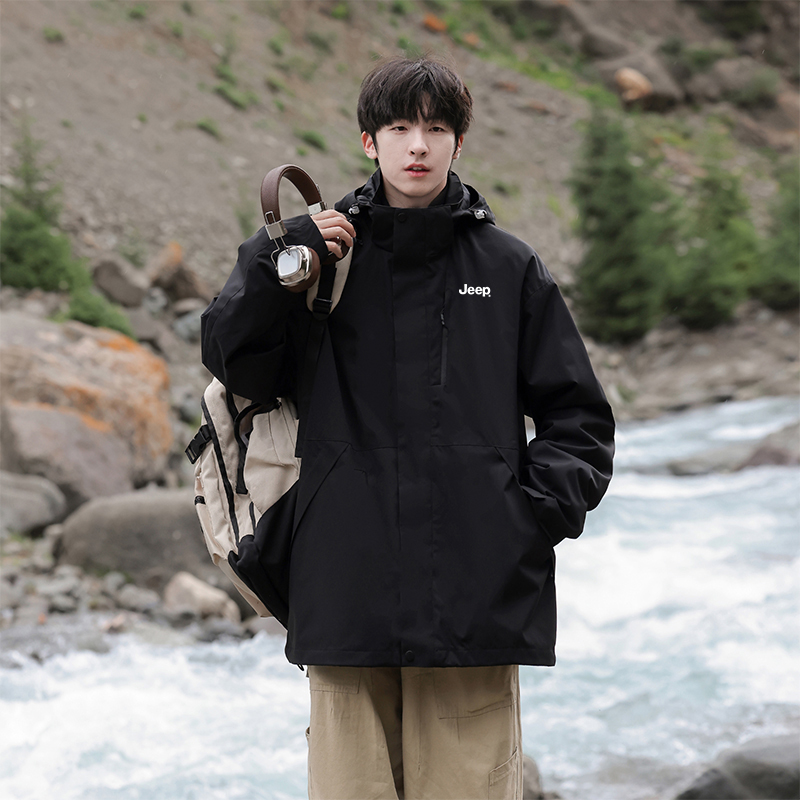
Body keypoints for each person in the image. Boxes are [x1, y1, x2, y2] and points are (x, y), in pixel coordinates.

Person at [201, 56, 614, 800]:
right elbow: (237, 365)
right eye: (398, 128)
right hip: (343, 586)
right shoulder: (322, 263)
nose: (417, 145)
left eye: (435, 128)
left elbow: (577, 417)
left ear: (459, 142)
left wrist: (526, 519)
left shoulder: (509, 267)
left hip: (476, 592)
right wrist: (272, 261)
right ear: (369, 141)